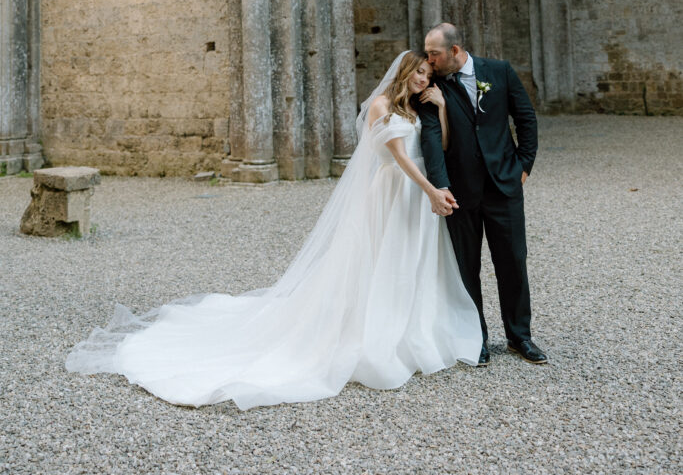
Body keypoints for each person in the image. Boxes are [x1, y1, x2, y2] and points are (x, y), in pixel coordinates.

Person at [66, 51, 482, 409]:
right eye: (417, 73)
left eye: (427, 75)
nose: (422, 79)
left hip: (414, 195)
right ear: (403, 72)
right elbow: (398, 157)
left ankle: (412, 327)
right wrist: (429, 188)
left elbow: (437, 148)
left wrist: (442, 108)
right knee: (379, 260)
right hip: (395, 189)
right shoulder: (380, 106)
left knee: (410, 260)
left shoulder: (417, 108)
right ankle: (373, 330)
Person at [417, 22, 547, 367]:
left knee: (513, 263)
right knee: (465, 268)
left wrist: (524, 165)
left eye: (434, 54)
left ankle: (520, 336)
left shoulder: (499, 71)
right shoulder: (432, 84)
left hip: (504, 184)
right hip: (461, 191)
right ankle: (476, 338)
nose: (428, 60)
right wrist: (440, 185)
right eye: (427, 54)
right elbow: (431, 137)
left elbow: (525, 118)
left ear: (455, 51)